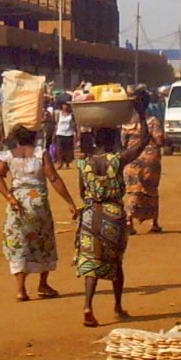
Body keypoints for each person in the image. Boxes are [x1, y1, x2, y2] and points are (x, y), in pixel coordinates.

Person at [73, 123, 147, 327]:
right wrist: (142, 114)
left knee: (91, 261)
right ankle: (117, 307)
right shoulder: (117, 160)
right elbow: (143, 143)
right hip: (113, 215)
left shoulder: (84, 163)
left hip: (90, 215)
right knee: (116, 261)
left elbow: (81, 192)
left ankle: (88, 306)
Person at [0, 126, 77, 301]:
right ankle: (43, 284)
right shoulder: (40, 153)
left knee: (19, 243)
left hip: (17, 204)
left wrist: (9, 196)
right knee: (43, 241)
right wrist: (69, 201)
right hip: (38, 203)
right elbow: (53, 178)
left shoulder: (8, 155)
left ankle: (21, 289)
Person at [122, 92, 166, 234]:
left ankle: (129, 220)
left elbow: (123, 143)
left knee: (132, 190)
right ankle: (154, 223)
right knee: (151, 190)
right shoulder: (153, 121)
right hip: (150, 161)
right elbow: (159, 141)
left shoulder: (127, 123)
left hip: (131, 161)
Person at [52, 99, 76, 168]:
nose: (65, 107)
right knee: (59, 149)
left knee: (68, 149)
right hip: (60, 133)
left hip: (69, 133)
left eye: (66, 105)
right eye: (64, 105)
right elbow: (57, 124)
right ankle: (60, 162)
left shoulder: (71, 115)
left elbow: (75, 124)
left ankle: (67, 162)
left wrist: (76, 133)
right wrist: (54, 134)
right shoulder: (59, 114)